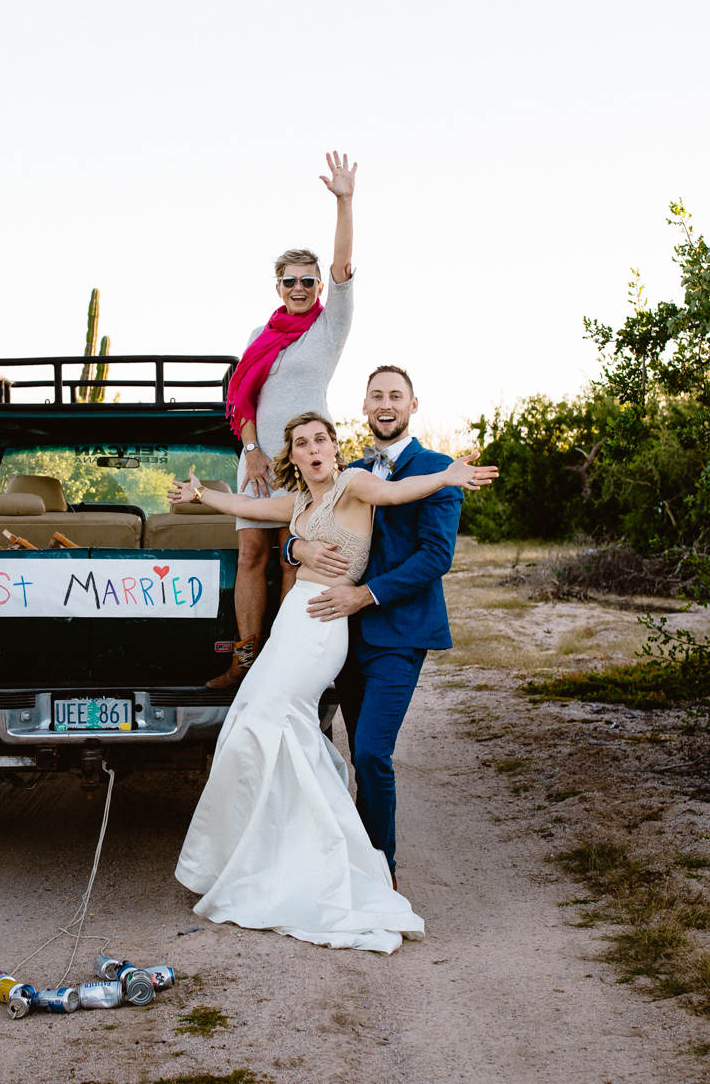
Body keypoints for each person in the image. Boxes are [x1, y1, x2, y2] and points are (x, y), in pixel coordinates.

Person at [170, 411, 497, 952]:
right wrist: (203, 494)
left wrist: (446, 476)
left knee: (275, 723)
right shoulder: (298, 504)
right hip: (291, 621)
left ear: (334, 447)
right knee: (249, 724)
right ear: (293, 458)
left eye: (321, 439)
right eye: (302, 443)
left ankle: (325, 857)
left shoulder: (355, 484)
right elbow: (247, 506)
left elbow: (400, 494)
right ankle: (261, 853)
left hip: (323, 627)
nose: (314, 448)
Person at [289, 366, 462, 890]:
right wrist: (295, 548)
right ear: (363, 407)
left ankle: (382, 866)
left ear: (412, 404)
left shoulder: (438, 469)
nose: (385, 404)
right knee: (345, 745)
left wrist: (365, 594)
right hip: (343, 636)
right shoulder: (350, 471)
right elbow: (298, 518)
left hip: (400, 632)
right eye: (376, 396)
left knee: (370, 751)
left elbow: (436, 556)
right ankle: (356, 857)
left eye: (396, 396)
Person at [208, 151, 359, 689]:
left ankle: (287, 662)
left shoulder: (329, 327)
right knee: (252, 551)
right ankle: (244, 660)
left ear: (319, 287)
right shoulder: (259, 337)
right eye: (290, 281)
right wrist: (249, 447)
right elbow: (242, 399)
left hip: (307, 463)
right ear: (278, 286)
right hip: (259, 460)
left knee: (296, 558)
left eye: (309, 282)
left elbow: (344, 270)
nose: (300, 289)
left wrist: (344, 200)